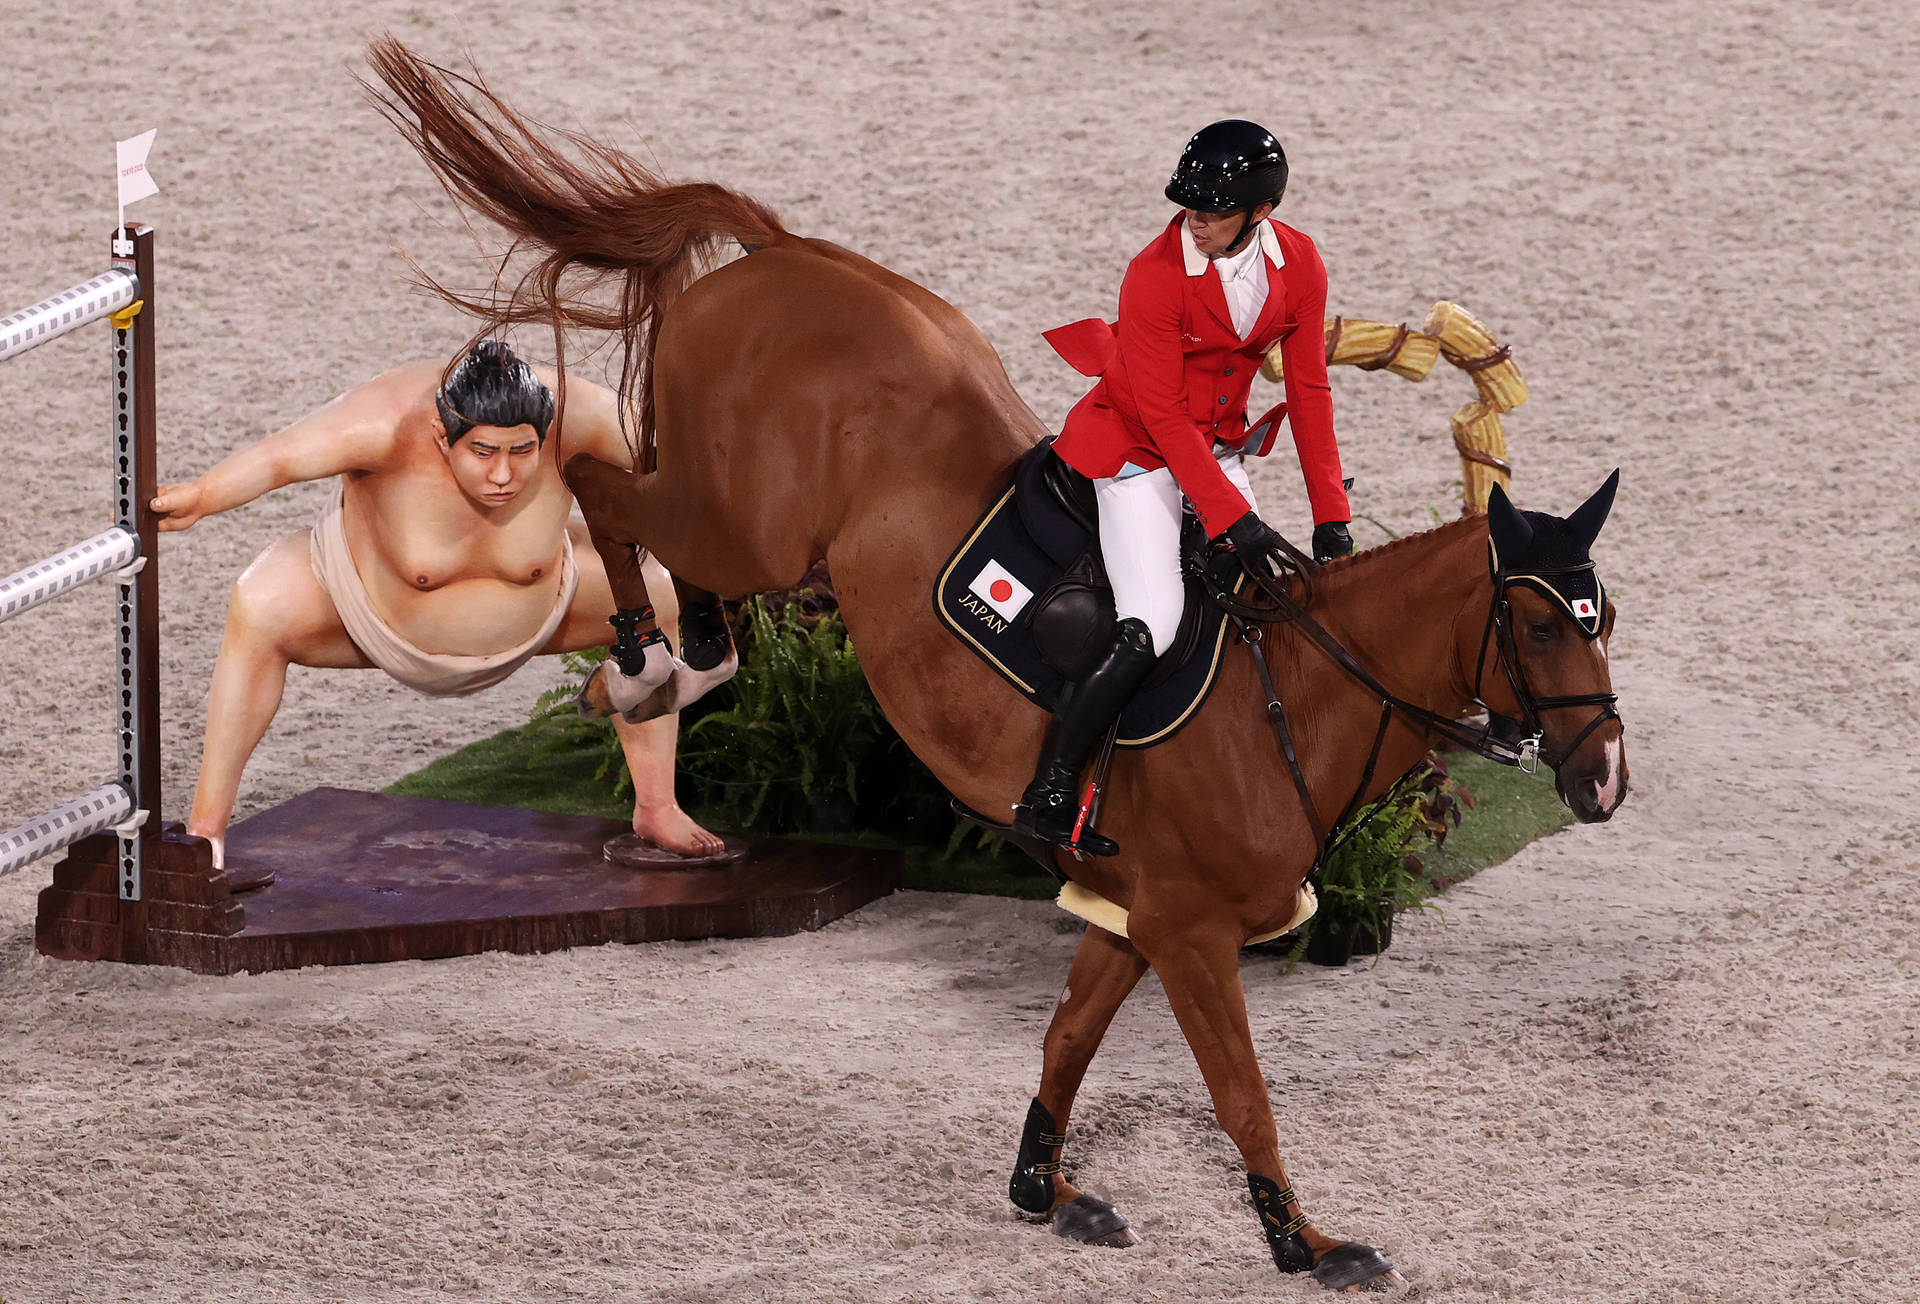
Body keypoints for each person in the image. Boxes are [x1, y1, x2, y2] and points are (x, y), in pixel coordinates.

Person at [153, 341, 733, 888]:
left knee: (657, 587)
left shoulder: (575, 413)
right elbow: (279, 459)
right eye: (483, 453)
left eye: (522, 452)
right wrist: (201, 497)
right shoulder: (383, 419)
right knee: (262, 600)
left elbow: (690, 459)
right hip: (370, 622)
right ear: (441, 434)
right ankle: (207, 832)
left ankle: (657, 807)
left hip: (543, 615)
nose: (503, 476)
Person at [1014, 119, 1355, 857]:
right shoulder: (1155, 274)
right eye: (1189, 207)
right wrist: (1234, 518)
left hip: (1217, 445)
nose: (1193, 221)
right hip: (1138, 448)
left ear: (1260, 213)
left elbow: (1310, 387)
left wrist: (1332, 516)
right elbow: (1164, 419)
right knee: (1155, 621)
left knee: (1263, 603)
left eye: (1212, 212)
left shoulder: (1299, 263)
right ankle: (1048, 790)